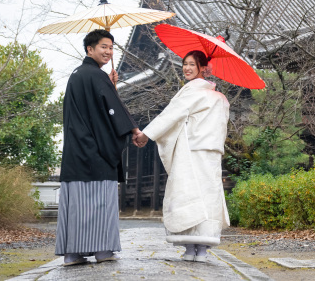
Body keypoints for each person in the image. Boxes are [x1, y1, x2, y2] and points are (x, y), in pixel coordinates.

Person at [55, 29, 144, 266]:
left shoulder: (77, 74)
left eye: (111, 47)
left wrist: (110, 85)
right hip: (96, 151)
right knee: (100, 202)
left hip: (76, 152)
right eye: (103, 46)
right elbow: (111, 111)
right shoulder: (96, 76)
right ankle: (103, 250)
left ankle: (73, 253)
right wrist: (134, 130)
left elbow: (96, 107)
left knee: (75, 204)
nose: (108, 51)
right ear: (89, 49)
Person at [133, 50, 230, 263]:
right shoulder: (220, 98)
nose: (186, 68)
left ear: (203, 68)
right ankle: (203, 248)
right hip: (212, 155)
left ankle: (190, 247)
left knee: (188, 193)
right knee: (208, 196)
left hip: (193, 152)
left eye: (192, 64)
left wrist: (146, 134)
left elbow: (171, 115)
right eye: (185, 64)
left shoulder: (191, 92)